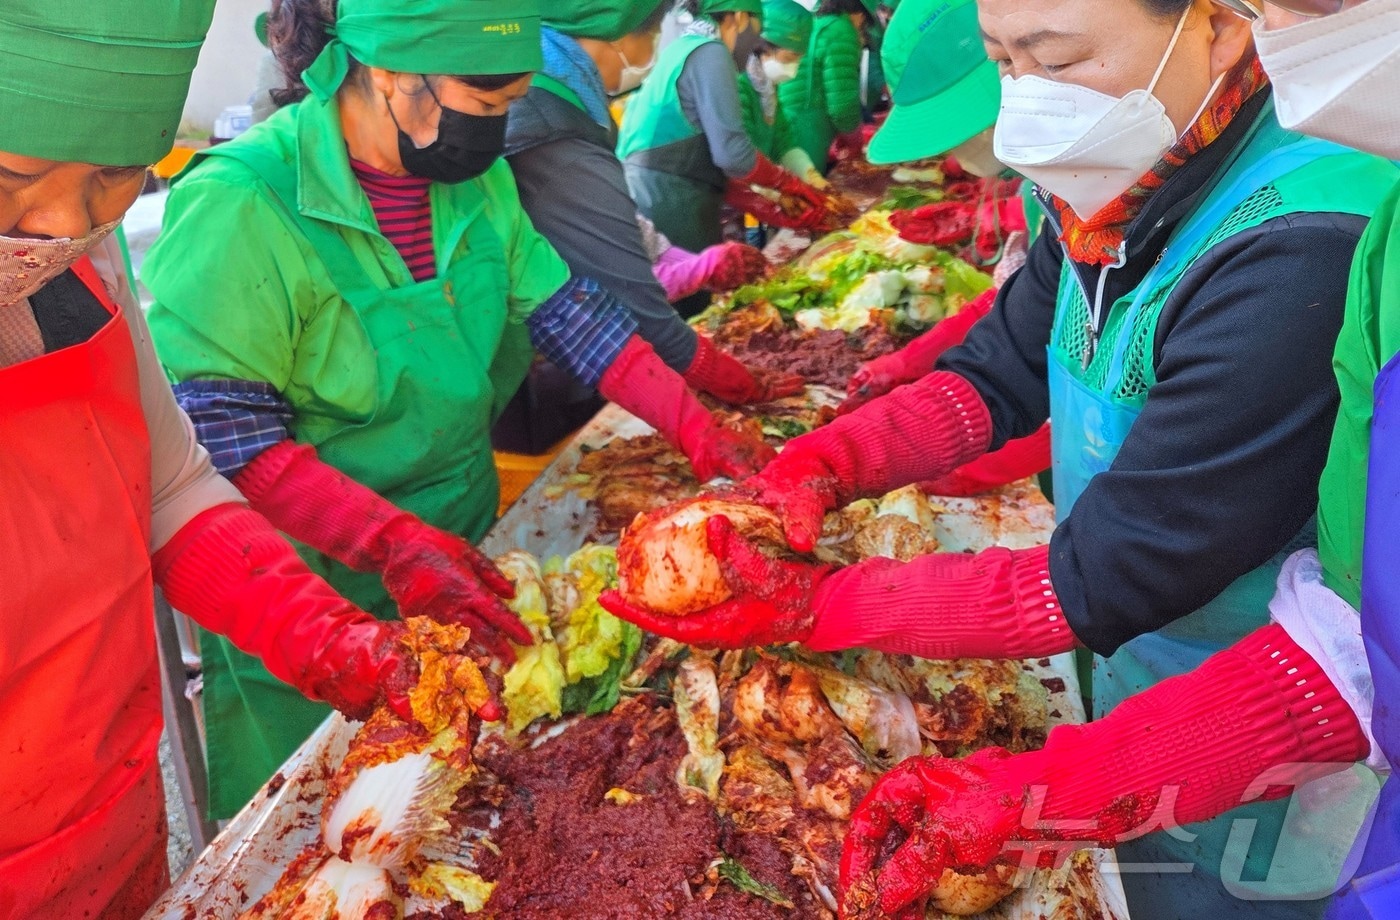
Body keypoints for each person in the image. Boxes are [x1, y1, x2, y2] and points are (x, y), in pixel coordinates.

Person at [602, 0, 1400, 915]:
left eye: (1056, 60)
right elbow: (1002, 367)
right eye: (1004, 62)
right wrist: (833, 460)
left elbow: (1123, 564)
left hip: (1265, 703)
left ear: (1221, 26)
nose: (1027, 100)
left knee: (1234, 894)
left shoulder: (1301, 241)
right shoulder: (1117, 185)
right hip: (1143, 666)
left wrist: (818, 605)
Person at [141, 0, 777, 820]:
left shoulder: (477, 185)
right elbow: (228, 440)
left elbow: (575, 319)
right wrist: (394, 545)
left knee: (483, 813)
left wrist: (697, 427)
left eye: (511, 102)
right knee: (340, 832)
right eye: (485, 105)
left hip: (465, 549)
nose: (500, 127)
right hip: (313, 591)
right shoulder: (244, 204)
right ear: (393, 75)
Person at [0, 2, 463, 916]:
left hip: (103, 819)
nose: (61, 223)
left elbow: (169, 485)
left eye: (112, 177)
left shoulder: (82, 265)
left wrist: (342, 646)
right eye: (12, 174)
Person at [505, 0, 797, 411]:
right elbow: (632, 298)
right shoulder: (551, 125)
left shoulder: (566, 100)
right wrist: (719, 373)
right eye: (655, 34)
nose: (658, 47)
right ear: (618, 36)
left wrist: (679, 259)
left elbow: (622, 226)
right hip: (544, 360)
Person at [617, 0, 833, 270]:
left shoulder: (685, 48)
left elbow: (715, 159)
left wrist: (768, 207)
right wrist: (789, 184)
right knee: (692, 295)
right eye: (756, 24)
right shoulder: (711, 52)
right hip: (672, 202)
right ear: (740, 17)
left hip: (665, 194)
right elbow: (734, 155)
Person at [777, 0, 874, 174]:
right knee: (809, 190)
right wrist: (856, 142)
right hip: (807, 130)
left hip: (786, 122)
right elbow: (842, 106)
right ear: (860, 15)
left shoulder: (817, 22)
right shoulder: (842, 31)